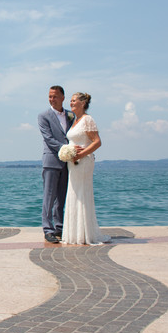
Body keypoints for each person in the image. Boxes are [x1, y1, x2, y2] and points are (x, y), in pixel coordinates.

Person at [60, 92, 111, 245]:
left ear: (83, 103)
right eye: (70, 100)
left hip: (83, 163)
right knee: (74, 194)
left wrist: (80, 154)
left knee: (82, 194)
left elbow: (97, 142)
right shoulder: (75, 120)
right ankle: (75, 233)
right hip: (73, 163)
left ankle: (84, 234)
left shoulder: (88, 120)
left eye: (74, 100)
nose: (71, 103)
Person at [38, 85, 75, 243]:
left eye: (55, 96)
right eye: (50, 96)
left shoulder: (71, 115)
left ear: (62, 98)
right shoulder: (43, 116)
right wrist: (67, 149)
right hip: (52, 160)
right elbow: (49, 138)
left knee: (61, 196)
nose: (51, 99)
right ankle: (48, 228)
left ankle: (59, 226)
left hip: (68, 163)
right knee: (49, 196)